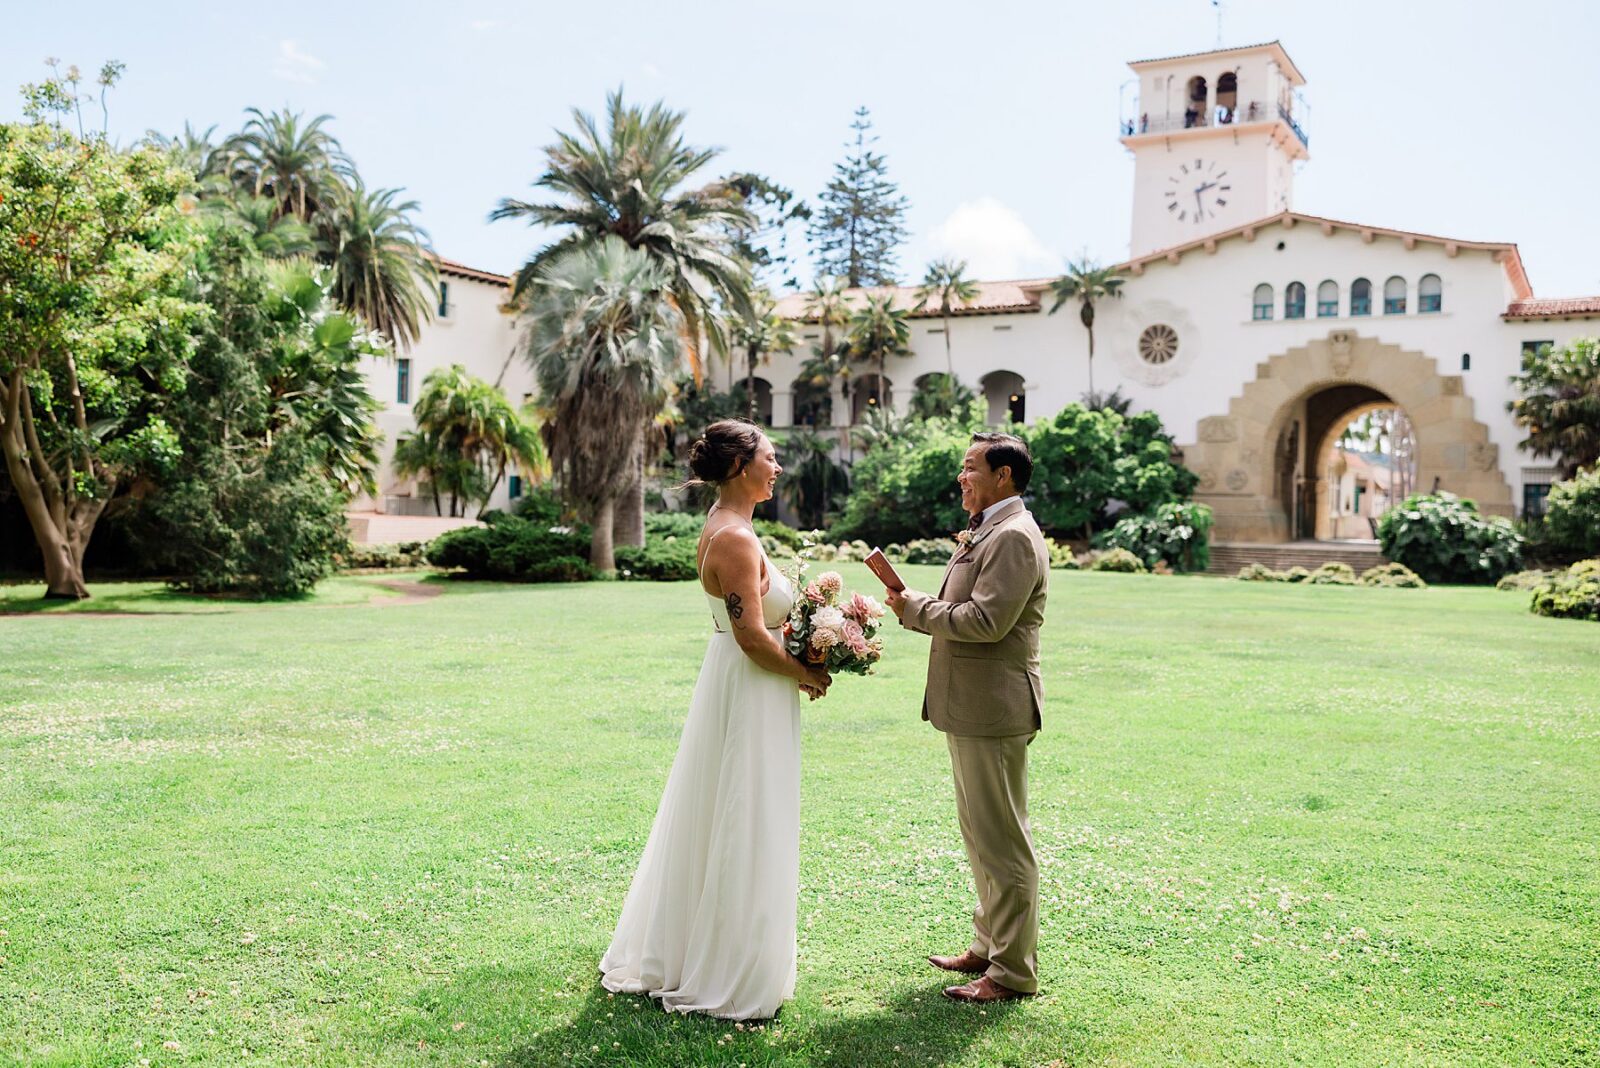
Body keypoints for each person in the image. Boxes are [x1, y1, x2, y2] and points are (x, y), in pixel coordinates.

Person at [599, 420, 832, 1019]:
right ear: (738, 467)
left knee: (735, 805)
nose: (777, 468)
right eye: (769, 458)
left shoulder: (732, 527)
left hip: (746, 682)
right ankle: (729, 967)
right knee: (743, 809)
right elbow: (751, 636)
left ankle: (708, 947)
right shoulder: (734, 538)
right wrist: (804, 671)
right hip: (749, 684)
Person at [883, 432, 1050, 1004]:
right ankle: (989, 946)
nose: (961, 477)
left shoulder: (1014, 536)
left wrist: (916, 609)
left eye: (970, 467)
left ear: (1004, 476)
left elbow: (986, 622)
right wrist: (920, 603)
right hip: (969, 707)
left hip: (995, 708)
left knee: (1003, 843)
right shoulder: (987, 528)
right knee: (980, 835)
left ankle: (1011, 974)